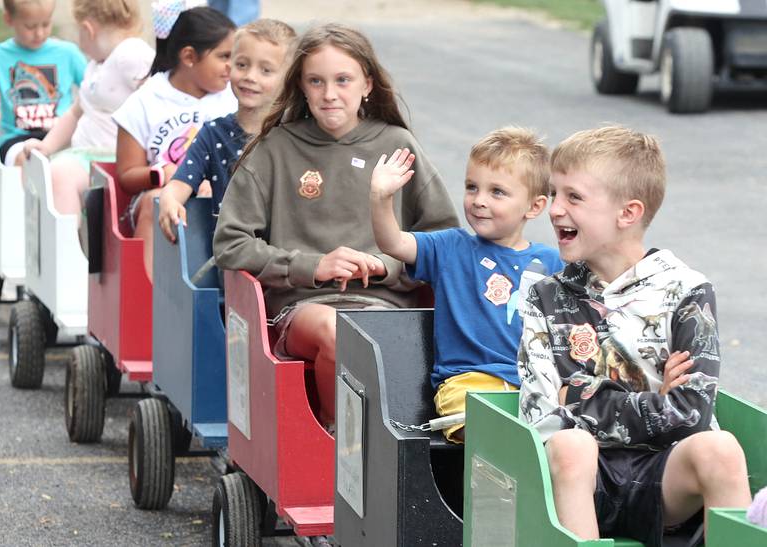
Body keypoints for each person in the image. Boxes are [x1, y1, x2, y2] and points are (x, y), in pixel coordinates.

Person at [213, 23, 459, 428]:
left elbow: (441, 238)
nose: (329, 94)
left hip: (386, 307)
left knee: (381, 338)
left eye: (342, 80)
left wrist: (386, 264)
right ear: (301, 88)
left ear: (367, 83)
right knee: (336, 331)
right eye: (316, 81)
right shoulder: (275, 149)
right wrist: (312, 266)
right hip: (303, 308)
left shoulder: (397, 145)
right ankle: (339, 443)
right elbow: (230, 243)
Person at [517, 125, 751, 546]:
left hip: (663, 479)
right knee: (572, 446)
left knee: (721, 449)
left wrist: (583, 395)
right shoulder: (545, 297)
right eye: (554, 194)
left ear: (628, 213)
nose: (554, 209)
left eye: (573, 197)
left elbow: (691, 413)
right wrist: (656, 401)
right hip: (582, 479)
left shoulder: (688, 292)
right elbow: (541, 415)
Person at [370, 128, 563, 443]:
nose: (479, 201)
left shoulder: (552, 262)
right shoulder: (450, 247)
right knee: (494, 437)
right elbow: (393, 242)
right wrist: (381, 197)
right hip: (468, 384)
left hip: (533, 385)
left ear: (534, 206)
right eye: (472, 188)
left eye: (497, 192)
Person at [112, 4, 236, 279]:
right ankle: (149, 300)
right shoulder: (146, 101)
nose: (232, 67)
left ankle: (234, 300)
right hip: (160, 197)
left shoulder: (234, 97)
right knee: (155, 201)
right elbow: (126, 176)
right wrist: (161, 174)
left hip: (218, 195)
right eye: (224, 56)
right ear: (190, 57)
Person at [18, 0, 154, 238]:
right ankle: (66, 245)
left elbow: (155, 98)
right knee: (48, 172)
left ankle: (65, 249)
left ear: (88, 29)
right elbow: (75, 112)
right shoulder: (96, 66)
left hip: (112, 157)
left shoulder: (131, 53)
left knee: (59, 175)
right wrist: (47, 145)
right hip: (89, 156)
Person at [157, 18, 296, 242]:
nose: (250, 76)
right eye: (242, 65)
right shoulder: (212, 133)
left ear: (289, 79)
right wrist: (169, 199)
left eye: (266, 70)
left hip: (287, 259)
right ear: (230, 67)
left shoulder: (295, 134)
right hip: (232, 259)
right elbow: (181, 182)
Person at [0, 0, 86, 166]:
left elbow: (93, 88)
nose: (39, 33)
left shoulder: (68, 53)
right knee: (30, 162)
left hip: (62, 136)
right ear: (9, 19)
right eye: (30, 27)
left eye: (46, 24)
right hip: (17, 140)